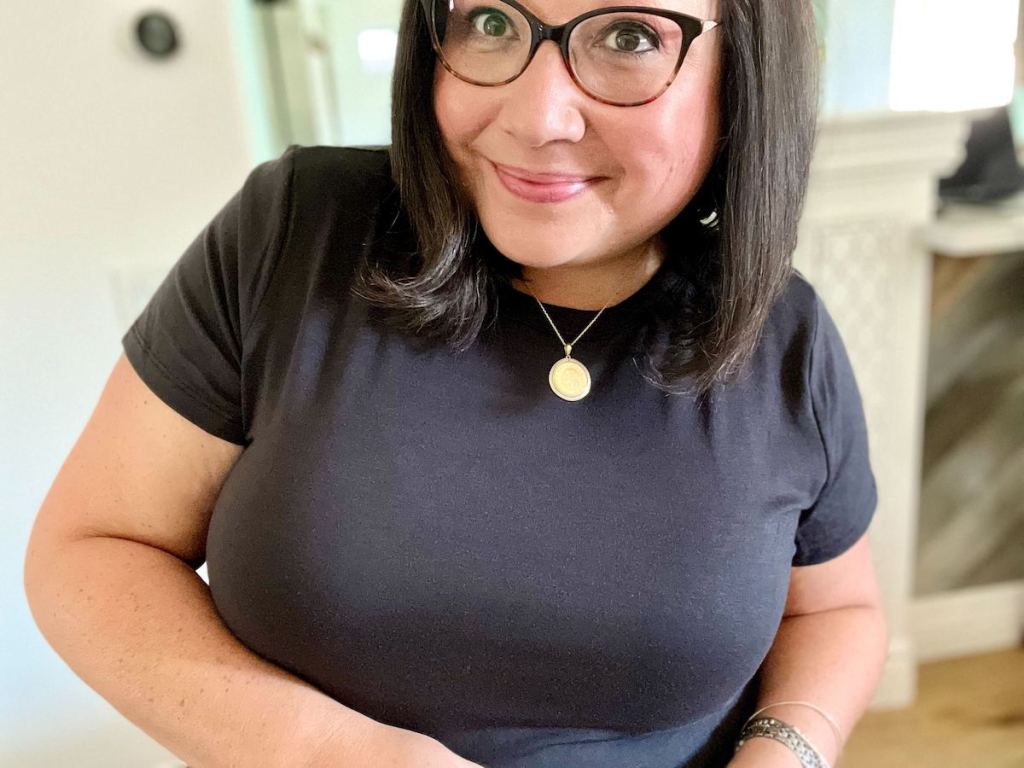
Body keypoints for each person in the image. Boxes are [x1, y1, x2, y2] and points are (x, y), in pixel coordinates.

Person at [24, 0, 890, 766]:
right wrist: (322, 752)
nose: (537, 114)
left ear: (744, 74)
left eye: (629, 36)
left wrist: (788, 754)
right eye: (489, 22)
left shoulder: (788, 340)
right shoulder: (294, 233)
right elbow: (95, 547)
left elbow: (834, 612)